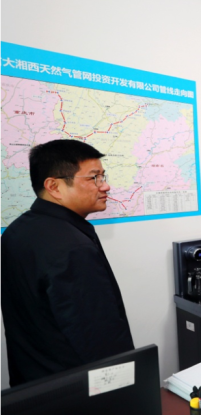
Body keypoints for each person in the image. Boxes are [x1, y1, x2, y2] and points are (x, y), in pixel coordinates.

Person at [1, 139, 134, 387]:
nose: (105, 186)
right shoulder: (73, 248)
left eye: (103, 176)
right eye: (94, 178)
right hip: (76, 391)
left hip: (33, 388)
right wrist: (125, 391)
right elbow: (99, 339)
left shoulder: (17, 231)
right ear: (54, 186)